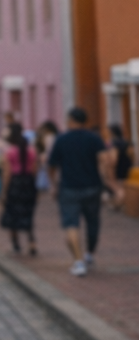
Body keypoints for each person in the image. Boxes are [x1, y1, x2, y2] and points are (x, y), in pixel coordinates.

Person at [46, 107, 114, 276]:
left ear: (70, 120)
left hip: (69, 188)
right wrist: (109, 183)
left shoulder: (62, 139)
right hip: (92, 187)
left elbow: (51, 165)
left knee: (71, 224)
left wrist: (53, 184)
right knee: (93, 221)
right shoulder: (94, 138)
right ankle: (89, 254)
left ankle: (78, 262)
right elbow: (105, 161)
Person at [0, 124, 39, 256]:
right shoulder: (31, 151)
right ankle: (32, 242)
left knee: (12, 214)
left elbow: (6, 174)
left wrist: (4, 191)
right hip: (28, 183)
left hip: (15, 184)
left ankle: (16, 243)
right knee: (28, 213)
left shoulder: (9, 152)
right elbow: (34, 171)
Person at [109, 124, 133, 209]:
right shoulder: (126, 141)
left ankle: (119, 204)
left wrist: (111, 168)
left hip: (119, 166)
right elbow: (131, 154)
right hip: (127, 165)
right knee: (124, 184)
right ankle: (125, 203)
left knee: (119, 186)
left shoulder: (114, 143)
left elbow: (114, 158)